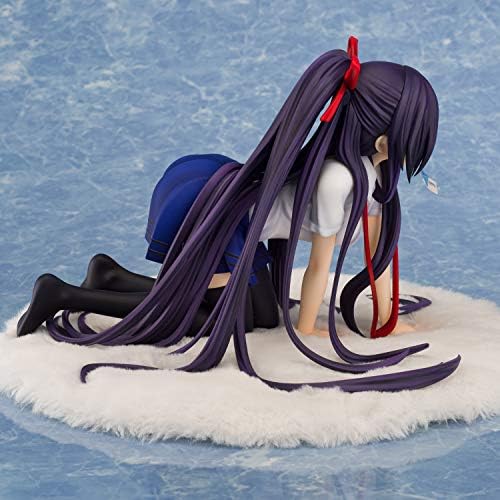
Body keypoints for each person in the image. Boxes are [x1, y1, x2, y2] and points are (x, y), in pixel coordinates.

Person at [16, 36, 461, 392]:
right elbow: (319, 263)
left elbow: (378, 252)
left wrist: (387, 320)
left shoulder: (372, 175)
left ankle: (109, 275)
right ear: (383, 139)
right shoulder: (338, 179)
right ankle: (63, 294)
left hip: (246, 229)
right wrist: (307, 331)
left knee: (263, 317)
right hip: (216, 216)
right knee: (208, 319)